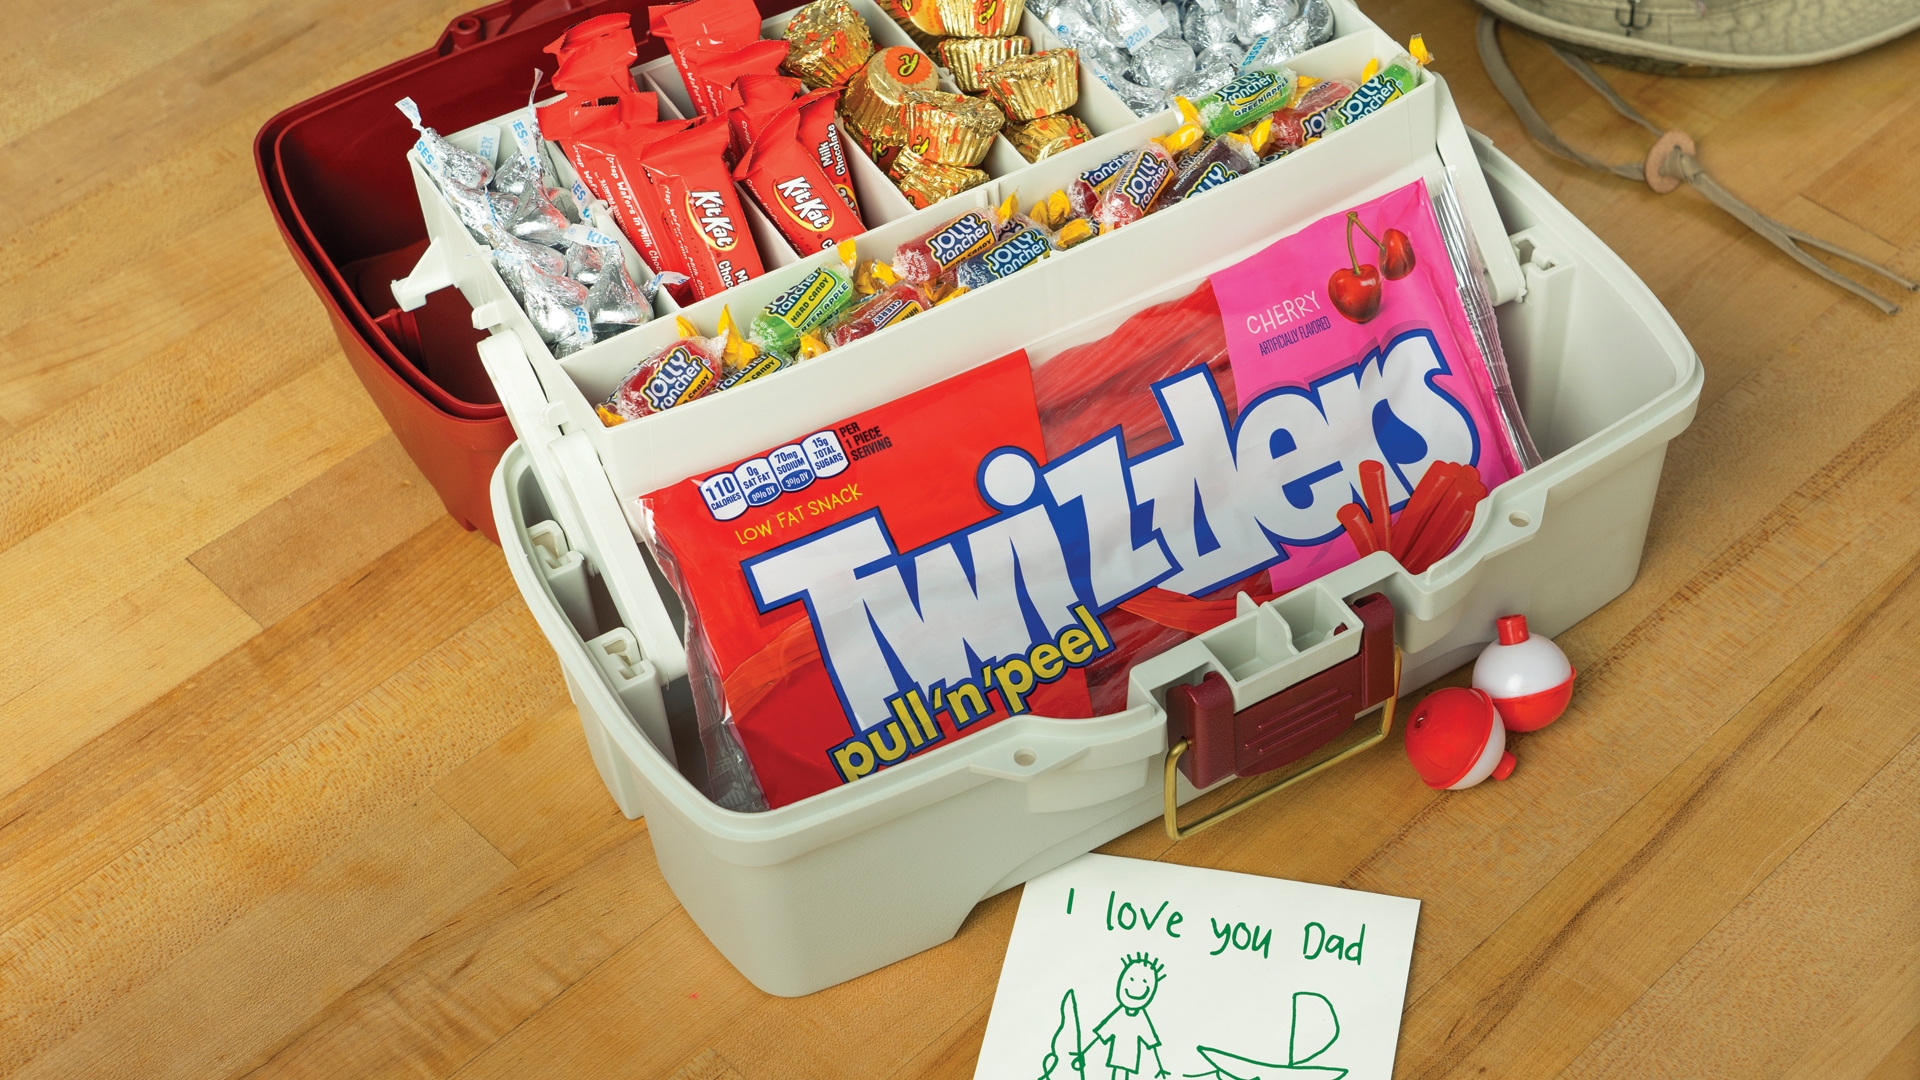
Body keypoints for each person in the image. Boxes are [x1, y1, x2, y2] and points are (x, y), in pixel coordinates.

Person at [1074, 953, 1169, 1080]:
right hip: (1118, 1052)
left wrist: (1160, 1067)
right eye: (1131, 980)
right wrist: (1083, 1053)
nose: (1137, 986)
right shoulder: (1118, 1015)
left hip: (1130, 1054)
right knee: (1117, 1073)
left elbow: (1151, 1043)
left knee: (1123, 1074)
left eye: (1145, 981)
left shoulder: (1141, 1018)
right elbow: (1100, 1036)